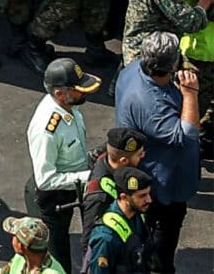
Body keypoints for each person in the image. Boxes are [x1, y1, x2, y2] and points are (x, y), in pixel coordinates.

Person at [111, 32, 201, 272]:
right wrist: (191, 93)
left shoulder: (132, 71)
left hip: (147, 171)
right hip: (161, 185)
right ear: (171, 66)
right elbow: (186, 134)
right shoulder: (151, 103)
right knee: (161, 243)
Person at [25, 60, 104, 261]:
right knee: (57, 260)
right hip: (51, 200)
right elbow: (46, 180)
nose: (84, 93)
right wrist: (90, 175)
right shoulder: (46, 130)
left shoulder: (69, 106)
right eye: (78, 89)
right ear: (60, 93)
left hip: (67, 191)